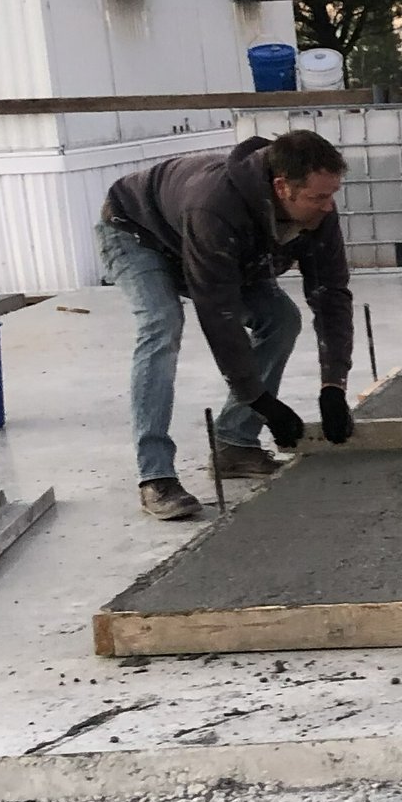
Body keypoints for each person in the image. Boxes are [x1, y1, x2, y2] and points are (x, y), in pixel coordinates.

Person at [97, 130, 358, 518]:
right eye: (318, 197)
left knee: (281, 319)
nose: (328, 206)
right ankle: (156, 476)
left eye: (332, 194)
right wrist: (260, 399)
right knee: (162, 324)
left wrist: (333, 385)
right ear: (282, 187)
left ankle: (234, 446)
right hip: (138, 231)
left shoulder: (319, 213)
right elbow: (219, 313)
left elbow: (331, 294)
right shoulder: (215, 207)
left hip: (210, 242)